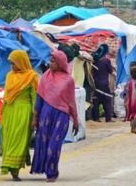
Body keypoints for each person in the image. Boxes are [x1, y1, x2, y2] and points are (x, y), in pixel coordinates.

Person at [31, 50, 79, 183]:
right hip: (45, 115)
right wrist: (35, 117)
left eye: (53, 61)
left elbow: (71, 101)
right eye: (50, 61)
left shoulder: (69, 80)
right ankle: (47, 169)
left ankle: (52, 172)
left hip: (61, 116)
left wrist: (75, 120)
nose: (50, 63)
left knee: (54, 145)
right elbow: (39, 99)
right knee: (44, 144)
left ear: (60, 63)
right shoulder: (45, 76)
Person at [1, 50, 39, 181]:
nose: (11, 66)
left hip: (24, 111)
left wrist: (35, 115)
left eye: (14, 63)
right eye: (10, 63)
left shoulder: (32, 76)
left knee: (19, 139)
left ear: (21, 62)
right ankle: (8, 165)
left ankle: (14, 169)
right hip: (9, 111)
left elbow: (35, 98)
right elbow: (6, 95)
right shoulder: (9, 76)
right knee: (8, 139)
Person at [90, 46, 114, 122]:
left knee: (96, 101)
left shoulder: (94, 60)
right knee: (107, 100)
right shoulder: (106, 60)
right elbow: (110, 71)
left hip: (96, 83)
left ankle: (96, 118)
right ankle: (108, 118)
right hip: (104, 83)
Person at [124, 61, 136, 134]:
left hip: (129, 103)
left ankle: (131, 126)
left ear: (130, 74)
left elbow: (125, 93)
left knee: (132, 114)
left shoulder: (128, 83)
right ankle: (134, 128)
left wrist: (125, 102)